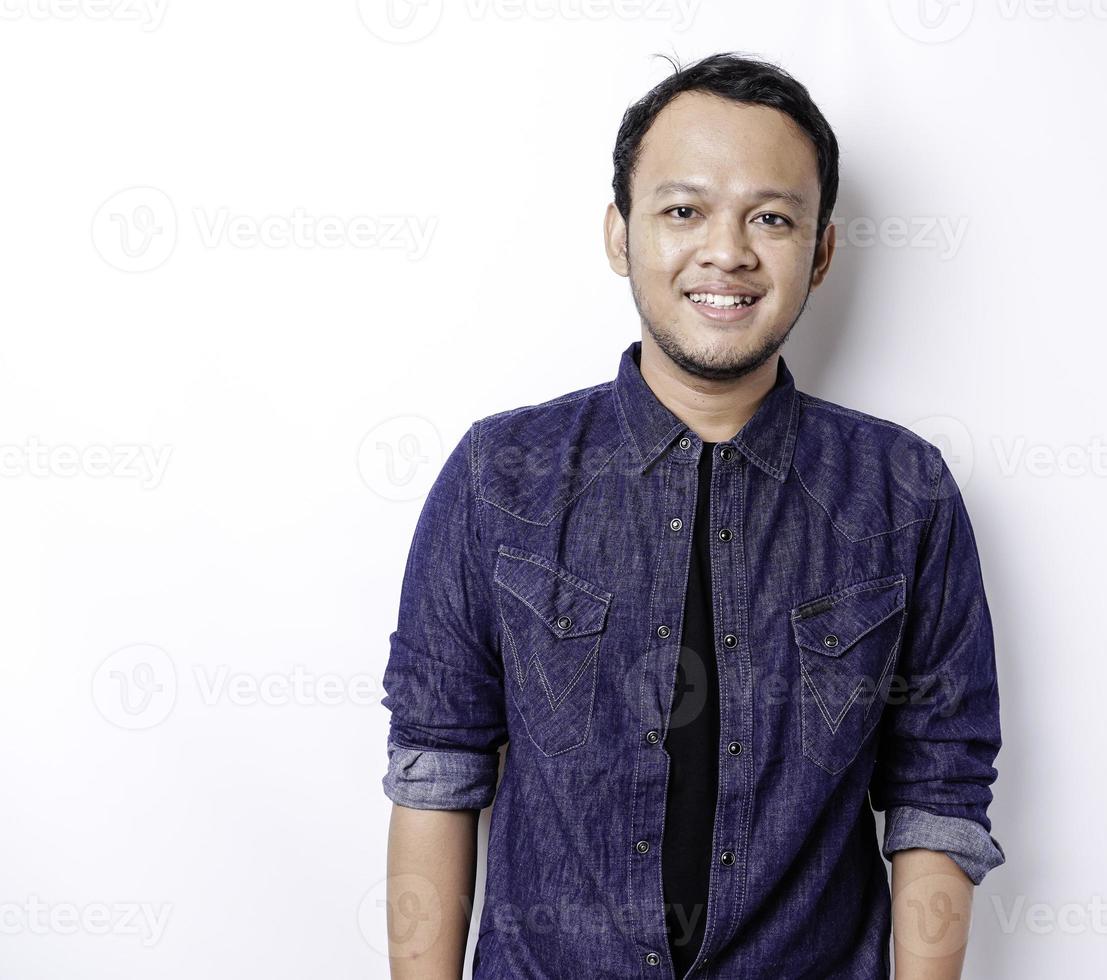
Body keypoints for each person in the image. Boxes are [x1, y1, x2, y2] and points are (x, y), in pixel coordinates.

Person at [380, 50, 1005, 980]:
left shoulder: (903, 492)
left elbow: (936, 797)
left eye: (772, 217)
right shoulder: (496, 477)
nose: (728, 250)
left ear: (822, 250)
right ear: (620, 235)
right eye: (683, 210)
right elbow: (437, 771)